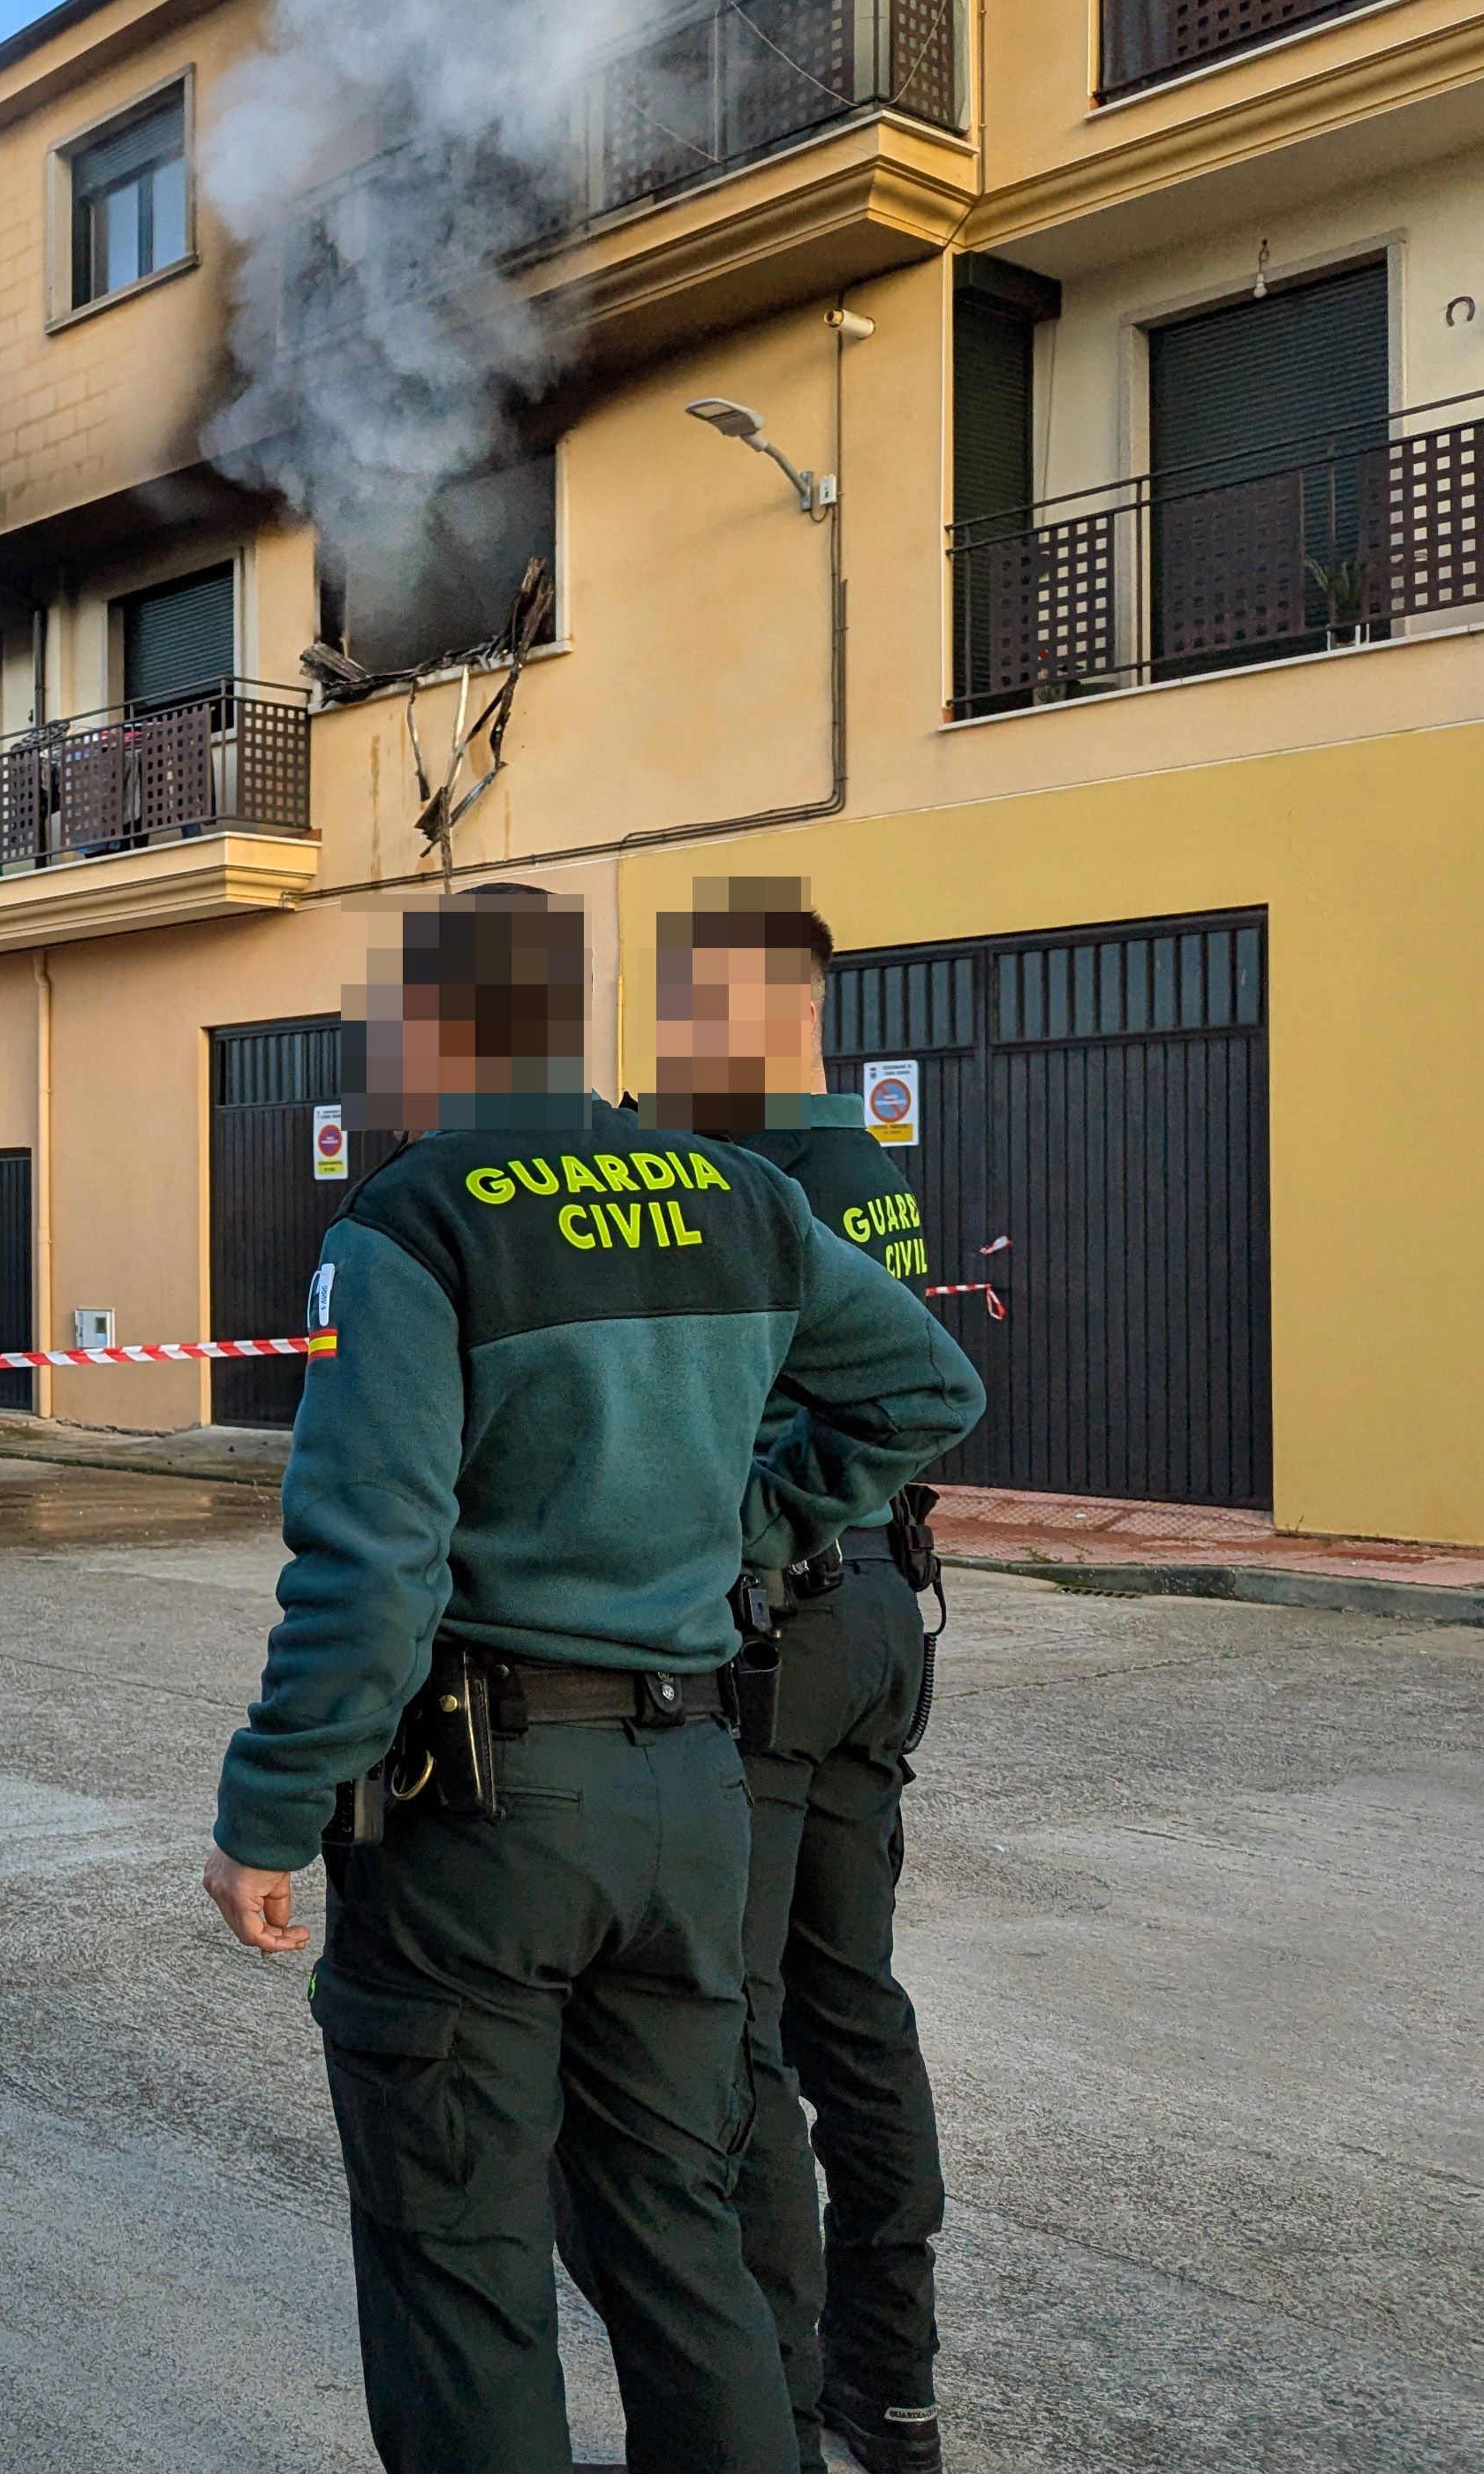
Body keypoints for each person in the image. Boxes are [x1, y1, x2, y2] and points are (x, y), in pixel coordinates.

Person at [200, 888, 982, 2474]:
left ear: (432, 1033)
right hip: (691, 1797)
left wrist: (268, 1809)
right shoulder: (739, 1196)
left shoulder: (414, 1222)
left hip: (482, 1817)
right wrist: (747, 1522)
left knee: (461, 2262)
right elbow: (925, 1386)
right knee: (679, 2245)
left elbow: (372, 1569)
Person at [649, 884, 953, 2474]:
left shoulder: (755, 1169)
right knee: (857, 2011)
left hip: (787, 1628)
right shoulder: (856, 1158)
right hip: (885, 1608)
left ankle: (765, 2400)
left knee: (740, 2032)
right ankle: (888, 2394)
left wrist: (757, 1530)